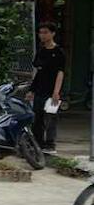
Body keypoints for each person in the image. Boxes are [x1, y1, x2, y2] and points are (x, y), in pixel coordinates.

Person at [31, 22, 65, 150]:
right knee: (37, 118)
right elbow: (38, 72)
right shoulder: (41, 51)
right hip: (40, 89)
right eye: (41, 33)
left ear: (53, 34)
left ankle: (50, 144)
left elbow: (60, 72)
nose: (42, 35)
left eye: (45, 32)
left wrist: (56, 92)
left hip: (52, 91)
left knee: (51, 117)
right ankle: (37, 143)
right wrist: (32, 90)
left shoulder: (59, 52)